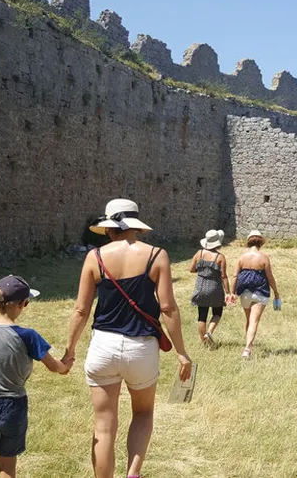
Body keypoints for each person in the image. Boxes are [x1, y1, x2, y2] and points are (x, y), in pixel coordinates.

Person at [64, 199, 192, 478]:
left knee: (104, 425)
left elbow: (81, 309)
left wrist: (70, 349)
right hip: (142, 347)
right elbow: (168, 307)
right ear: (136, 228)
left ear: (110, 228)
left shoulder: (95, 257)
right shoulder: (157, 255)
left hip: (103, 345)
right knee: (143, 413)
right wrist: (181, 352)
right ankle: (132, 474)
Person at [0, 275, 72, 478]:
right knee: (8, 463)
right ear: (22, 304)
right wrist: (65, 366)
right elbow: (53, 366)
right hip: (14, 405)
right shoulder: (27, 335)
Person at [233, 229, 279, 359]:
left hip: (245, 292)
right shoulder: (264, 257)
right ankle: (247, 349)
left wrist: (232, 292)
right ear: (261, 242)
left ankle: (248, 344)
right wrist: (276, 291)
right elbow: (270, 277)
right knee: (254, 321)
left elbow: (235, 276)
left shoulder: (242, 257)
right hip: (260, 292)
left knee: (248, 319)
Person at [189, 229, 232, 350]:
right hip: (215, 286)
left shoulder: (199, 253)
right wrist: (228, 292)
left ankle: (204, 342)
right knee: (217, 312)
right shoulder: (220, 257)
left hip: (200, 285)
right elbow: (223, 276)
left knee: (202, 315)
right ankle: (209, 332)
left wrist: (202, 270)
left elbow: (192, 269)